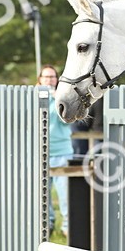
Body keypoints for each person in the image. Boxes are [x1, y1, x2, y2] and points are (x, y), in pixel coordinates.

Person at [39, 66, 75, 235]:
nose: (49, 80)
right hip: (41, 154)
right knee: (42, 195)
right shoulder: (33, 98)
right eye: (46, 77)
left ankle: (68, 228)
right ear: (40, 79)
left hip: (63, 152)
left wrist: (57, 99)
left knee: (66, 195)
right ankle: (48, 225)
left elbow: (68, 121)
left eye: (52, 77)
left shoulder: (63, 97)